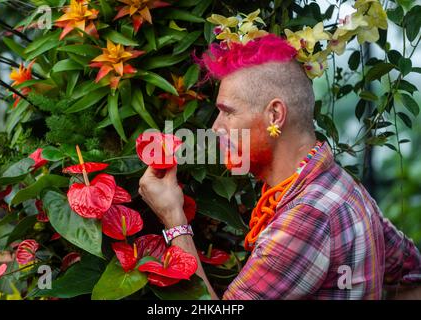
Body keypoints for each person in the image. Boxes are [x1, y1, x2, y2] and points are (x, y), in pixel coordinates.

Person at [137, 34, 421, 299]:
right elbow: (412, 273)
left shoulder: (306, 218)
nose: (215, 127)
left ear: (274, 115)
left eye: (228, 112)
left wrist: (174, 220)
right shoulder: (341, 185)